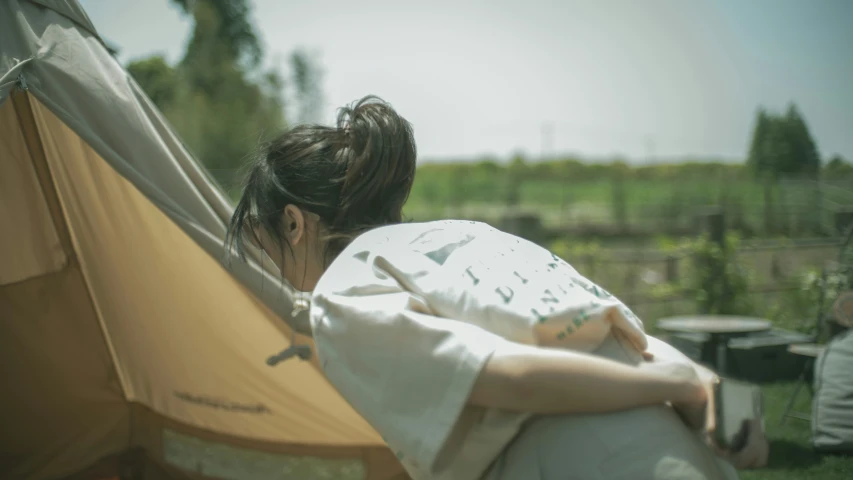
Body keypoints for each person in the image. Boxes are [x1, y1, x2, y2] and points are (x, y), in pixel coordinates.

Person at [225, 95, 767, 480]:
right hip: (684, 451)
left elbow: (506, 376)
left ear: (294, 224)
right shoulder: (468, 233)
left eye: (259, 237)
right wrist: (704, 383)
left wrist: (682, 385)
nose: (265, 258)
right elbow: (630, 338)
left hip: (582, 459)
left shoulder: (340, 292)